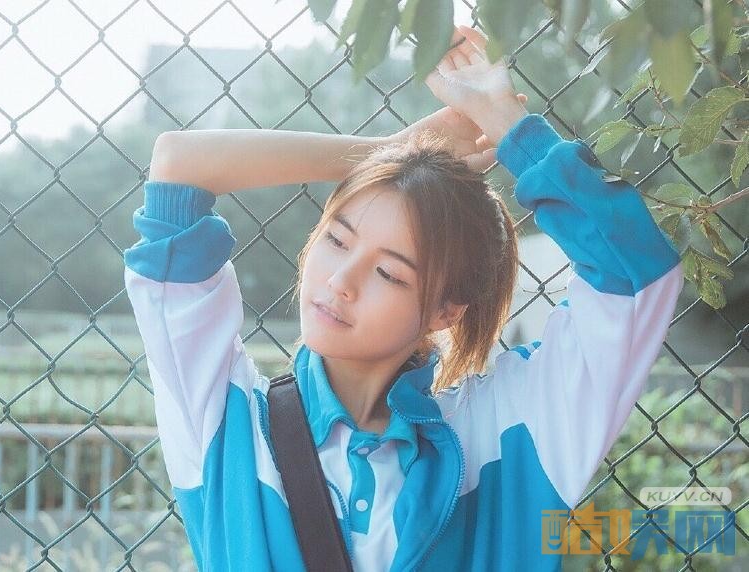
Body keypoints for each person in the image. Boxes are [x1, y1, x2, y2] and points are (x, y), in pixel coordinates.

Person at [123, 24, 684, 572]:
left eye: (389, 273)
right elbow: (177, 168)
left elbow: (634, 276)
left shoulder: (505, 430)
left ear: (444, 311)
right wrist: (391, 152)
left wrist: (504, 120)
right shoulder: (225, 419)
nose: (341, 280)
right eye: (337, 240)